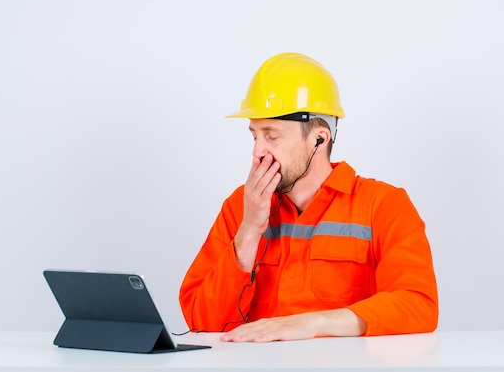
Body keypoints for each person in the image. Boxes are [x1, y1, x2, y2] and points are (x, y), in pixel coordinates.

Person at [179, 52, 438, 343]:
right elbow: (201, 321)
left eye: (271, 136)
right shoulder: (240, 206)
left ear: (319, 138)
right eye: (254, 136)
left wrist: (313, 323)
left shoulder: (383, 205)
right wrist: (249, 231)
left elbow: (419, 305)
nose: (257, 151)